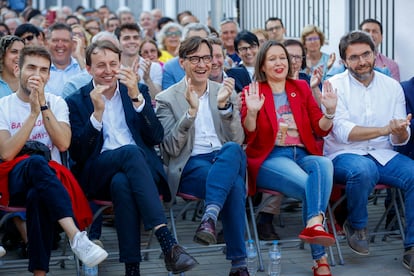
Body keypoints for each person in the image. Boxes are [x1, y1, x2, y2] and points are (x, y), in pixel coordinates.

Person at [65, 40, 197, 276]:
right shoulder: (77, 100)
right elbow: (78, 153)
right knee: (130, 152)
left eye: (113, 64)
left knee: (123, 184)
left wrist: (136, 97)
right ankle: (165, 237)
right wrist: (96, 114)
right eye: (100, 65)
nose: (107, 71)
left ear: (120, 64)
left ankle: (132, 268)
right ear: (88, 69)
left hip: (137, 174)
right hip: (97, 172)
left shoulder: (137, 90)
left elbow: (156, 136)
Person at [0, 45, 108, 274]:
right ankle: (75, 235)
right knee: (37, 162)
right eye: (31, 67)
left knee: (37, 195)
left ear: (49, 75)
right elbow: (7, 153)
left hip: (50, 183)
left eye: (43, 70)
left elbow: (63, 144)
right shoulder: (3, 106)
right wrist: (32, 115)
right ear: (18, 69)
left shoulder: (57, 103)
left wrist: (42, 106)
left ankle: (40, 272)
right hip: (13, 179)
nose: (36, 75)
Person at [241, 40, 337, 276]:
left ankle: (314, 223)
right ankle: (320, 259)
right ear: (262, 65)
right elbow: (248, 132)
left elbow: (320, 128)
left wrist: (330, 111)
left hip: (302, 153)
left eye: (282, 57)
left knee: (324, 163)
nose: (279, 63)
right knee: (310, 187)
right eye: (272, 59)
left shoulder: (301, 87)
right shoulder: (252, 91)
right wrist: (252, 111)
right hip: (270, 157)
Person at [156, 36, 248, 276]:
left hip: (225, 158)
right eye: (194, 58)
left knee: (231, 149)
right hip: (191, 165)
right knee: (235, 185)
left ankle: (210, 215)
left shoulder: (225, 91)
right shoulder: (166, 98)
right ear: (182, 62)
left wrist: (224, 109)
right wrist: (189, 114)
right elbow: (170, 149)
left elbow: (238, 140)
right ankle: (239, 264)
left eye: (206, 58)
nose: (201, 64)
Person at [323, 30, 414, 274]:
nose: (361, 61)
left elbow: (398, 137)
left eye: (366, 54)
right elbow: (343, 132)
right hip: (343, 154)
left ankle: (412, 246)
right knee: (363, 169)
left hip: (383, 154)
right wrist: (385, 128)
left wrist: (401, 131)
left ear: (375, 54)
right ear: (344, 61)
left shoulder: (392, 86)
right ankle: (357, 225)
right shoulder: (334, 86)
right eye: (354, 57)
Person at [115, 23, 162, 99]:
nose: (132, 41)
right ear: (118, 42)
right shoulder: (113, 69)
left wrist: (147, 79)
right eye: (126, 38)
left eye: (136, 38)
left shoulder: (154, 67)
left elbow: (156, 98)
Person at [162, 22, 210, 90]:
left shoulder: (216, 62)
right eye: (194, 41)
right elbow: (169, 97)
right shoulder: (170, 67)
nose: (199, 45)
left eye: (203, 41)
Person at [44, 23, 86, 96]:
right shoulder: (40, 69)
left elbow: (92, 86)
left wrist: (79, 56)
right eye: (55, 40)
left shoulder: (82, 66)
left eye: (65, 40)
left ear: (73, 43)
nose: (60, 45)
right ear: (47, 43)